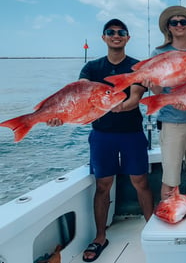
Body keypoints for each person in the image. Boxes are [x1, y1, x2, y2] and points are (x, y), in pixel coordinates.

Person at [48, 19, 154, 262]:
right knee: (103, 184)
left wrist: (119, 107)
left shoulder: (136, 66)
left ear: (127, 38)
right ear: (104, 37)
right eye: (111, 32)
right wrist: (60, 115)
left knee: (141, 181)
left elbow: (136, 96)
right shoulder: (92, 68)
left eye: (121, 32)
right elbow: (77, 96)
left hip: (131, 133)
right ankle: (99, 237)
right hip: (101, 135)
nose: (116, 35)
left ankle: (151, 228)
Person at [147, 6, 186, 200]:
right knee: (171, 179)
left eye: (183, 21)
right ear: (168, 27)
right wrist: (152, 85)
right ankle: (168, 221)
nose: (179, 25)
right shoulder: (158, 52)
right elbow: (157, 91)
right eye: (174, 22)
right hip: (171, 122)